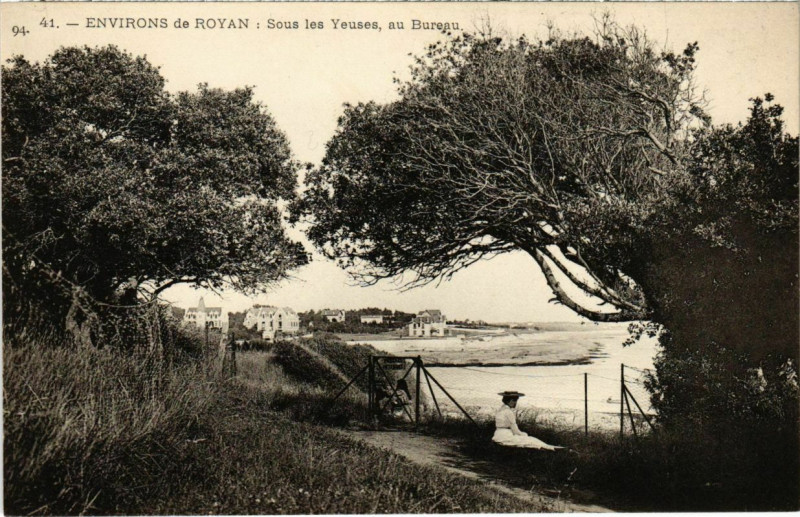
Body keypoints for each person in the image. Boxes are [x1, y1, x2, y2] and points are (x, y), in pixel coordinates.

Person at [493, 391, 563, 450]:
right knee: (530, 440)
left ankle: (550, 447)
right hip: (507, 436)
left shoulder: (500, 410)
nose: (515, 403)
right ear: (511, 401)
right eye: (515, 401)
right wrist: (523, 434)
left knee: (530, 440)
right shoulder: (508, 412)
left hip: (498, 434)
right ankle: (550, 448)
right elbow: (515, 430)